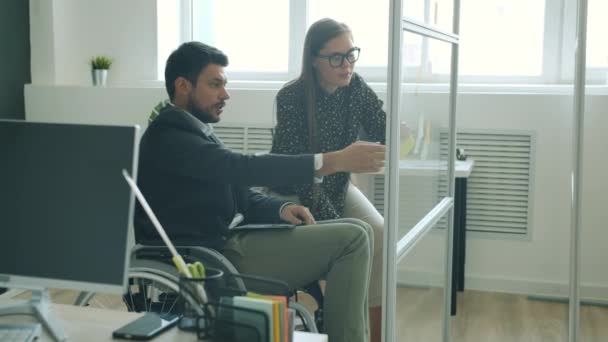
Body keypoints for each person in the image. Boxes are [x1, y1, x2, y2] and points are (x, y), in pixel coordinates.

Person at [135, 41, 385, 342]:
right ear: (183, 86)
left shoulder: (192, 131)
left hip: (228, 243)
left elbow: (238, 190)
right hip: (210, 259)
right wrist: (328, 161)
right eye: (215, 84)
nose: (225, 94)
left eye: (224, 85)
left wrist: (279, 209)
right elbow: (241, 167)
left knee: (362, 230)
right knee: (355, 238)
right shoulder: (169, 137)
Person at [270, 18, 387, 342]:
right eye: (336, 57)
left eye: (351, 54)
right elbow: (297, 171)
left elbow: (382, 128)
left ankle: (376, 334)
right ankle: (338, 322)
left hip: (337, 184)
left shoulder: (356, 87)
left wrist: (401, 133)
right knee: (351, 239)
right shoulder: (291, 98)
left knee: (378, 232)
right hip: (294, 191)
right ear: (314, 60)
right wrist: (337, 224)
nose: (346, 64)